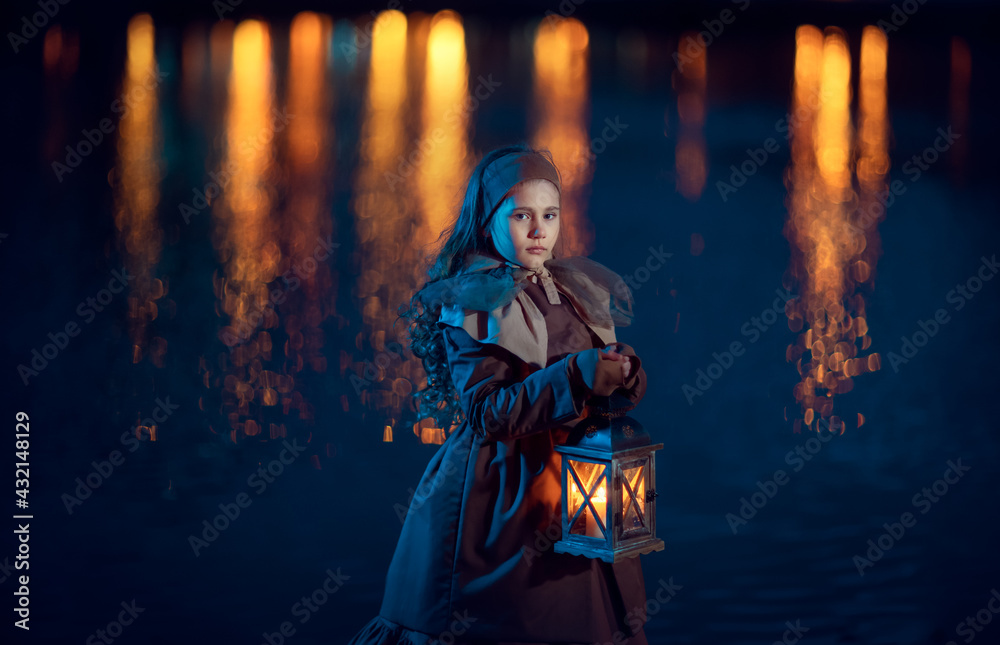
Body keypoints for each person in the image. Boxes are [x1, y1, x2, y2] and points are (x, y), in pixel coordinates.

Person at [348, 144, 651, 645]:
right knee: (516, 621)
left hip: (579, 488)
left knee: (590, 618)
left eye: (549, 215)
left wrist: (622, 372)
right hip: (505, 494)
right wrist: (577, 375)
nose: (539, 231)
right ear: (489, 221)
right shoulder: (475, 300)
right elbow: (488, 413)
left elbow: (596, 395)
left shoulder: (570, 289)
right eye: (522, 216)